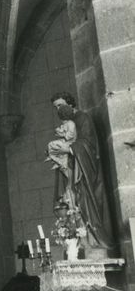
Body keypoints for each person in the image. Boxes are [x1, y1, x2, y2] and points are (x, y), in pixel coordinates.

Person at [49, 92, 114, 253]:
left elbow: (89, 144)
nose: (58, 109)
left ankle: (93, 240)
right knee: (71, 202)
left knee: (86, 203)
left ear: (70, 104)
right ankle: (78, 242)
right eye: (56, 107)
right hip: (71, 171)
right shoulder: (67, 123)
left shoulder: (82, 118)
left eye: (60, 104)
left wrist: (70, 148)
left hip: (84, 173)